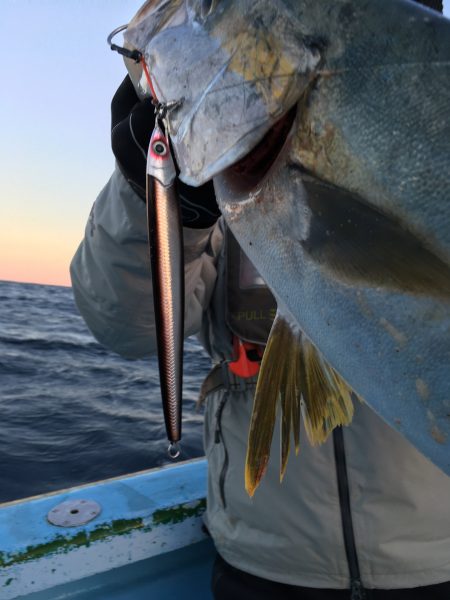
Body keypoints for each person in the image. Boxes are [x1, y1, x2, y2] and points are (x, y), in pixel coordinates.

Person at [71, 3, 450, 597]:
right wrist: (153, 198)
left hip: (435, 559)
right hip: (266, 558)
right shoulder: (212, 200)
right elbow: (125, 326)